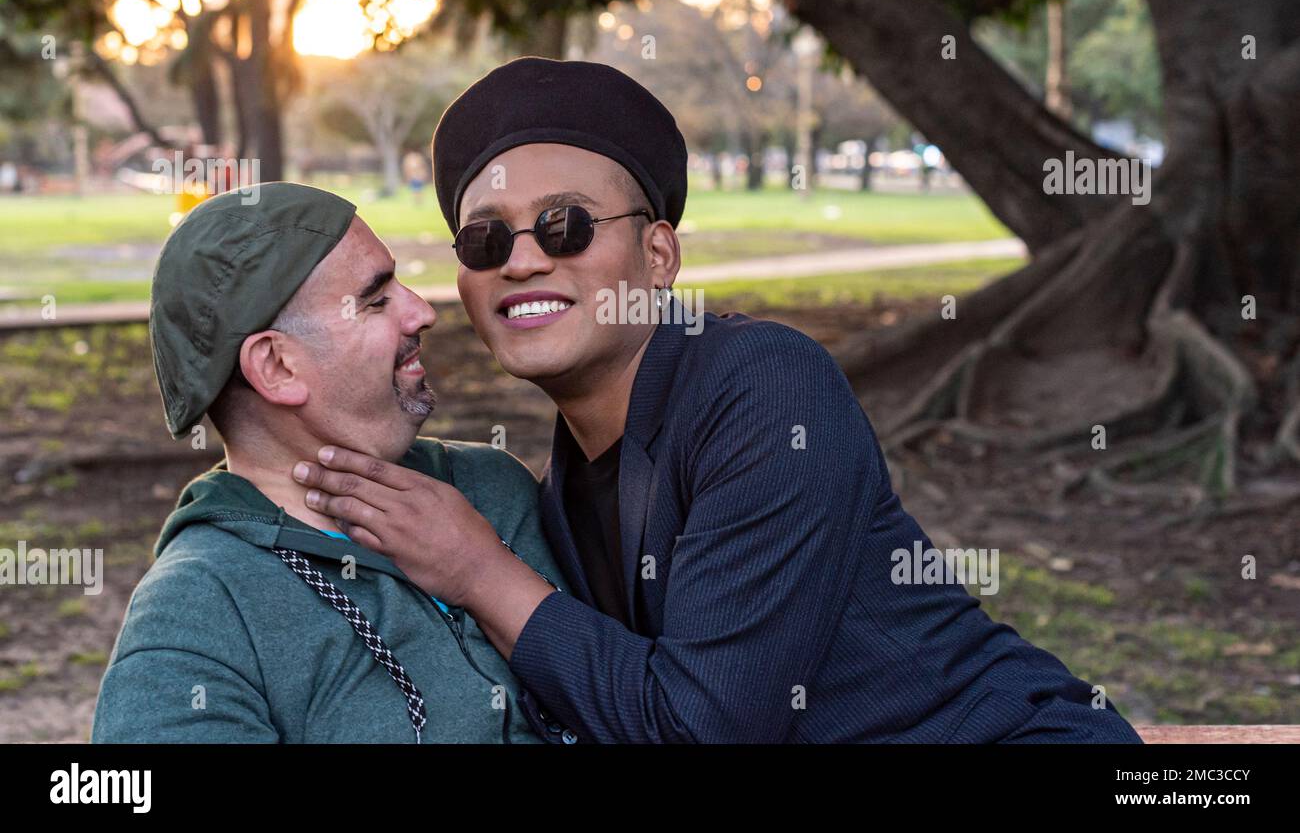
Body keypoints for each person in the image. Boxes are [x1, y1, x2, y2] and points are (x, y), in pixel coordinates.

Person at [290, 58, 1143, 744]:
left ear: (658, 254)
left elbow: (706, 727)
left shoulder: (765, 385)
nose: (521, 260)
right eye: (485, 237)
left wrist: (478, 570)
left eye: (567, 225)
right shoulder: (566, 481)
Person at [93, 181, 565, 743]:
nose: (422, 312)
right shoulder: (200, 613)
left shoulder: (493, 489)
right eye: (376, 299)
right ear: (276, 366)